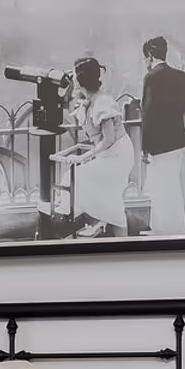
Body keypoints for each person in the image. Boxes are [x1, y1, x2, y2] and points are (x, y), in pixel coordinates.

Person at [58, 58, 133, 238]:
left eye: (74, 75)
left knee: (76, 177)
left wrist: (82, 158)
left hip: (117, 156)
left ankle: (102, 223)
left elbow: (108, 139)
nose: (72, 78)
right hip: (109, 155)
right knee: (107, 194)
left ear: (80, 79)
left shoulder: (102, 102)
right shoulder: (89, 101)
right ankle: (105, 225)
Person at [139, 35, 185, 236]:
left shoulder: (151, 78)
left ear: (150, 56)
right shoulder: (180, 76)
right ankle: (169, 228)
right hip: (178, 141)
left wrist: (144, 148)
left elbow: (147, 114)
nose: (145, 63)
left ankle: (166, 230)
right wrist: (175, 107)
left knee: (162, 189)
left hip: (160, 144)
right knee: (171, 186)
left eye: (145, 58)